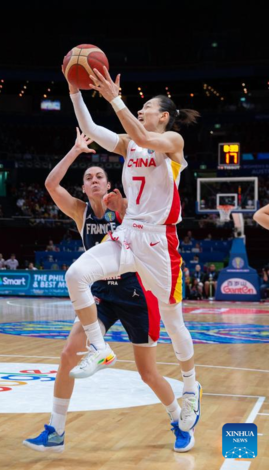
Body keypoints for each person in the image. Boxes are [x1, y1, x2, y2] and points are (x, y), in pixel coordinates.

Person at [24, 129, 192, 453]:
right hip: (101, 294)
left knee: (147, 373)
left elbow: (144, 228)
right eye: (89, 178)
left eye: (100, 175)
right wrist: (75, 150)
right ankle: (56, 429)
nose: (95, 180)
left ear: (108, 181)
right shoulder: (79, 212)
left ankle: (177, 418)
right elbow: (49, 185)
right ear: (85, 188)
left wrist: (121, 207)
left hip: (136, 294)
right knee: (68, 353)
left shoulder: (127, 204)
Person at [63, 67, 201, 434]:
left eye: (146, 107)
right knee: (76, 274)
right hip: (128, 234)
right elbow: (93, 131)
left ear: (164, 116)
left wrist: (114, 98)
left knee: (174, 322)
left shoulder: (172, 141)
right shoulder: (129, 143)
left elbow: (140, 132)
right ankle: (99, 347)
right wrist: (75, 92)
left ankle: (190, 386)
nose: (140, 112)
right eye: (137, 107)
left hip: (160, 242)